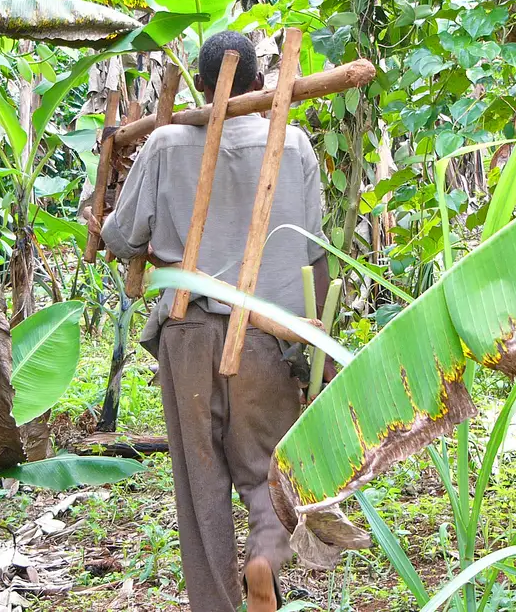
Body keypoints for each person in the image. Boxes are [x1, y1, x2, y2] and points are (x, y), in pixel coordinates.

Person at [85, 30, 332, 612]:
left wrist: (101, 224)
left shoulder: (167, 144)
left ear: (199, 87)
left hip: (188, 335)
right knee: (266, 476)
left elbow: (122, 238)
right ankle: (265, 559)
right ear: (260, 84)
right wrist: (316, 349)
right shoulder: (292, 145)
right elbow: (316, 255)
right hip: (270, 339)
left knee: (202, 492)